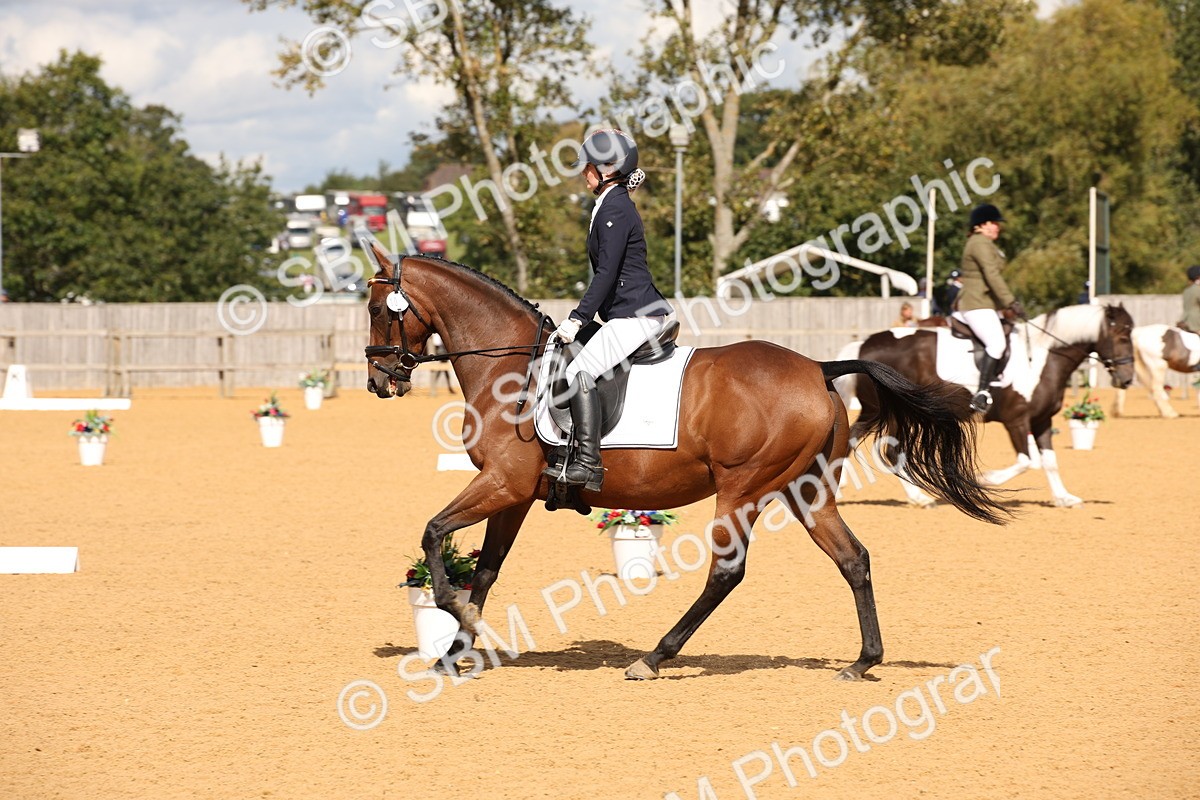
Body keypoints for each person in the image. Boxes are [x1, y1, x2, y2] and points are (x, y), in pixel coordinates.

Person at [547, 129, 674, 491]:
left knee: (579, 373)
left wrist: (577, 318)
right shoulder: (610, 203)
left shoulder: (615, 207)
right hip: (627, 312)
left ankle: (588, 464)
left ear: (607, 169)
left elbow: (606, 272)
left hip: (635, 314)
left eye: (588, 166)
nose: (582, 172)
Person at [953, 203, 1024, 413]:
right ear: (979, 226)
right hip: (976, 303)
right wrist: (1010, 301)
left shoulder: (986, 243)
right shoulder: (979, 243)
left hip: (985, 302)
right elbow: (991, 275)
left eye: (996, 224)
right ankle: (981, 393)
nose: (997, 227)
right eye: (992, 223)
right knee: (996, 343)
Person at [1179, 265, 1200, 332]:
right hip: (1196, 322)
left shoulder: (1187, 290)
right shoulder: (1198, 290)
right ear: (1198, 277)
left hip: (1184, 319)